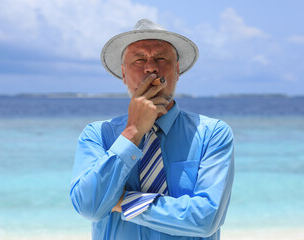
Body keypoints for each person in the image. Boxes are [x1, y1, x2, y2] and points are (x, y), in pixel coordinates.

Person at [70, 19, 234, 240]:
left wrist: (126, 202)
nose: (150, 67)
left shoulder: (211, 133)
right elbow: (89, 207)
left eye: (161, 58)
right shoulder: (98, 135)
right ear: (123, 74)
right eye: (138, 60)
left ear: (177, 70)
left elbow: (206, 219)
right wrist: (132, 132)